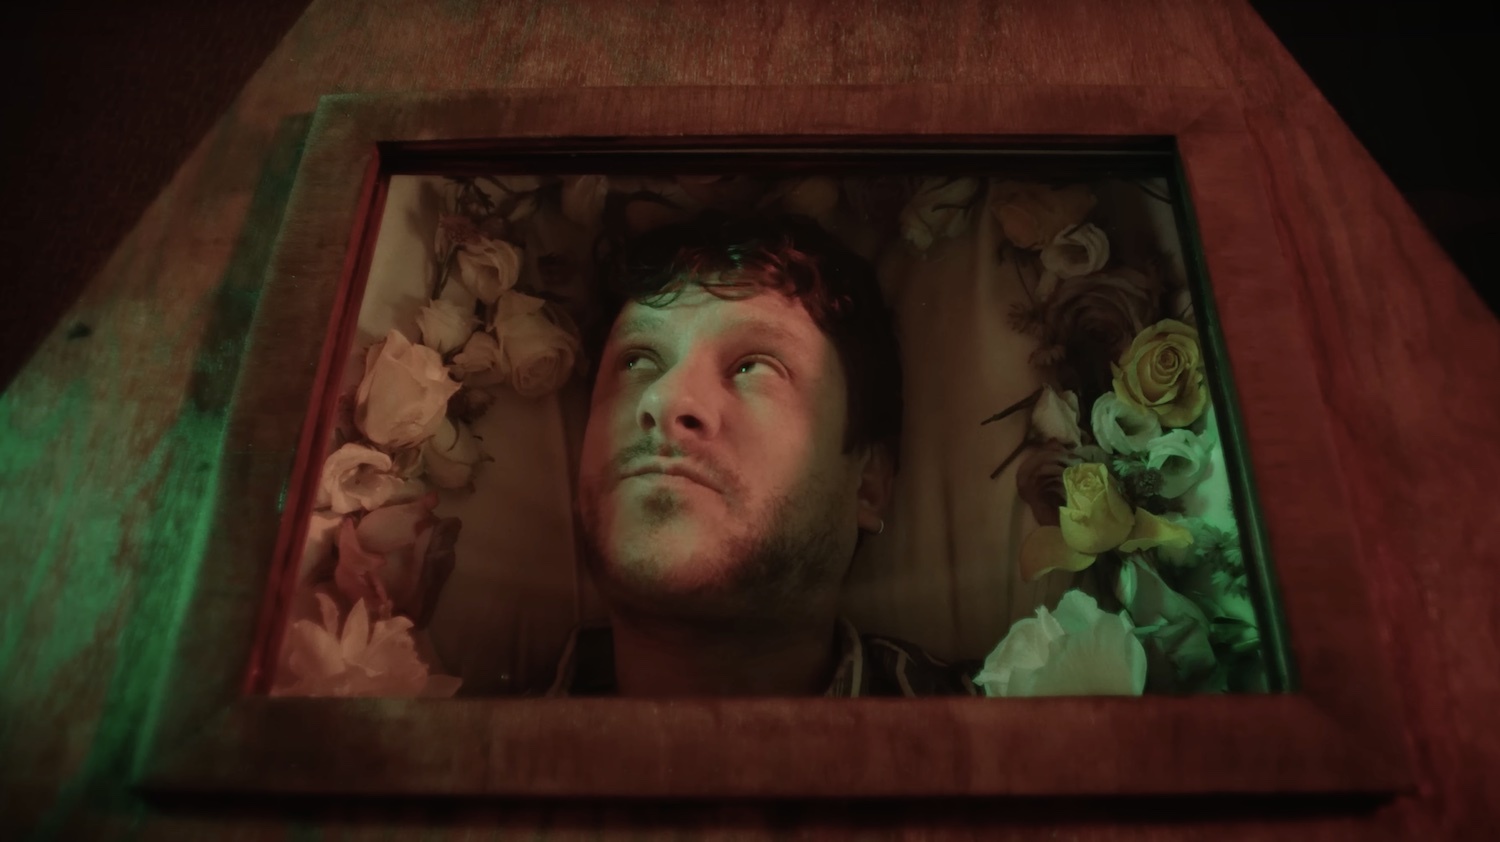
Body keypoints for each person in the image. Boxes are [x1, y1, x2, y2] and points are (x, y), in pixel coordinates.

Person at [548, 211, 979, 697]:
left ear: (868, 484)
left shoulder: (1013, 720)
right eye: (637, 361)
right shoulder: (475, 740)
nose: (664, 399)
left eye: (753, 366)